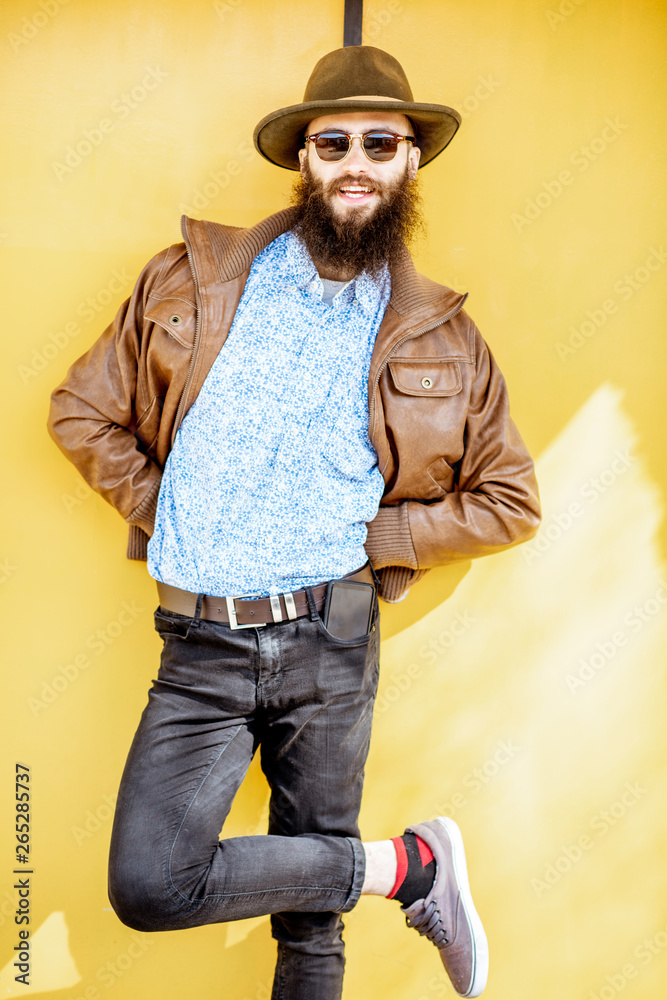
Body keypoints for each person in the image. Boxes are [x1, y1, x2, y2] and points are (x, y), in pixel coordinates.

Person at [48, 44, 540, 1000]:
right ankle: (406, 869)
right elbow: (80, 409)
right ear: (302, 158)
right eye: (334, 142)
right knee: (150, 886)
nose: (356, 160)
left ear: (410, 162)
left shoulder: (442, 333)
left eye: (379, 143)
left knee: (309, 932)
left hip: (332, 637)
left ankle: (380, 875)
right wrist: (174, 507)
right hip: (200, 642)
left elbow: (509, 498)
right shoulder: (191, 280)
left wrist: (387, 541)